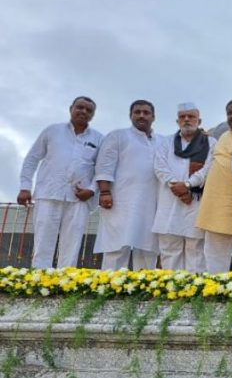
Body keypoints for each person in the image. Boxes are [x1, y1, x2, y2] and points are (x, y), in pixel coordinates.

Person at [18, 96, 103, 269]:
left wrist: (92, 190)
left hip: (79, 199)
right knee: (43, 241)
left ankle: (66, 284)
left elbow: (102, 169)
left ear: (93, 115)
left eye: (89, 110)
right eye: (80, 107)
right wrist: (25, 187)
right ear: (71, 108)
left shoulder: (98, 138)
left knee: (72, 244)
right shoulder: (52, 131)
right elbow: (32, 159)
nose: (83, 112)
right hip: (48, 194)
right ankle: (40, 283)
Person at [94, 100, 160, 270]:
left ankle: (144, 288)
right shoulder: (118, 136)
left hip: (152, 202)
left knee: (148, 246)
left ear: (153, 117)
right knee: (116, 245)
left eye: (146, 112)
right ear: (130, 115)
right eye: (137, 112)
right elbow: (104, 166)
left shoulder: (162, 141)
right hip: (120, 201)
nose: (141, 115)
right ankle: (110, 289)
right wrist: (105, 192)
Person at [152, 103, 215, 272]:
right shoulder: (166, 142)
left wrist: (187, 185)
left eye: (191, 116)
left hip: (196, 202)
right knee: (169, 248)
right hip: (169, 201)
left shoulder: (210, 142)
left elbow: (208, 168)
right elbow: (159, 167)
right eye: (182, 117)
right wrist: (177, 187)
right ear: (177, 121)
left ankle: (194, 291)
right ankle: (172, 291)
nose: (187, 120)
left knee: (196, 249)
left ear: (199, 120)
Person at [195, 100, 232, 273]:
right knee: (213, 248)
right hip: (216, 202)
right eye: (230, 112)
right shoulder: (223, 136)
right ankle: (214, 285)